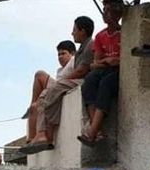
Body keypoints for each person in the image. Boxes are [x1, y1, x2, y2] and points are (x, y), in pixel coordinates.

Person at [19, 16, 95, 155]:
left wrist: (62, 81)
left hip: (83, 81)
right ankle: (43, 133)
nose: (72, 33)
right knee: (45, 95)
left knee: (49, 91)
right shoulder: (82, 48)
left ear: (82, 31)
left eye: (74, 30)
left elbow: (82, 70)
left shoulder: (90, 45)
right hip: (76, 80)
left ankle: (43, 133)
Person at [77, 0, 123, 147]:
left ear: (118, 13)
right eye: (104, 9)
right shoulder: (100, 36)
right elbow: (95, 63)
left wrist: (114, 60)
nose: (106, 13)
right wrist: (108, 61)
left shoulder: (125, 33)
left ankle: (92, 132)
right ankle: (98, 130)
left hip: (119, 73)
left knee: (106, 84)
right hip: (105, 69)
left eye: (109, 9)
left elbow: (124, 60)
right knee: (89, 82)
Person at [24, 40, 77, 144]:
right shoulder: (60, 70)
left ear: (72, 53)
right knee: (38, 79)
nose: (60, 57)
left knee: (40, 75)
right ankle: (33, 106)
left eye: (63, 53)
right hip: (59, 86)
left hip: (64, 86)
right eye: (58, 54)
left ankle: (34, 107)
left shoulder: (74, 61)